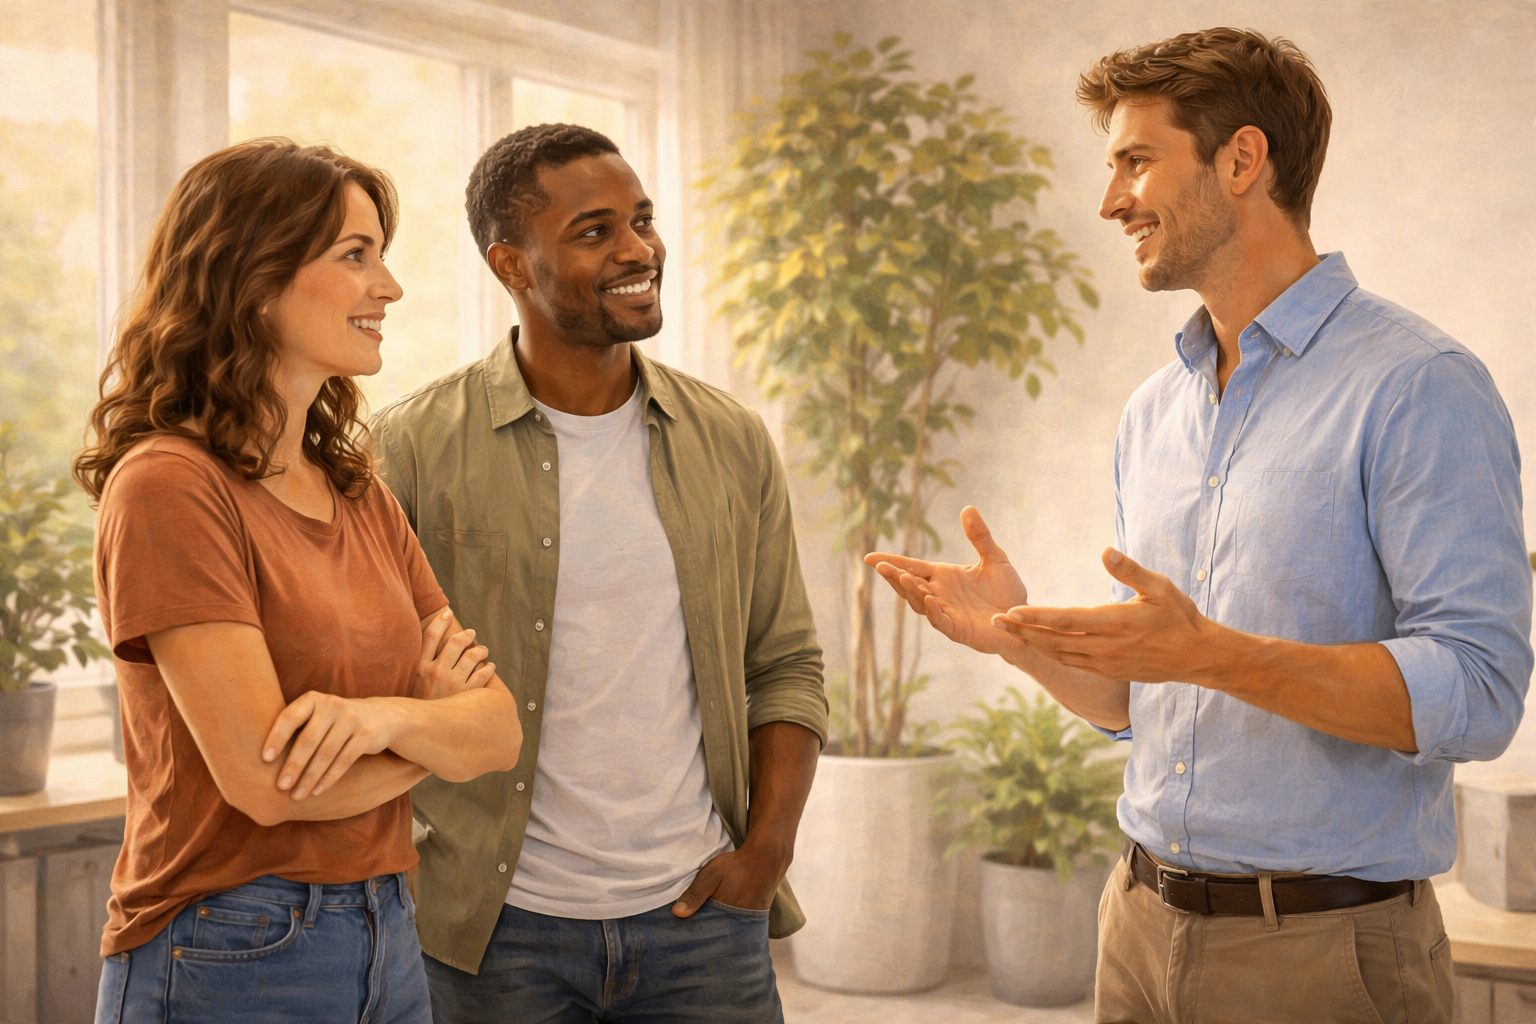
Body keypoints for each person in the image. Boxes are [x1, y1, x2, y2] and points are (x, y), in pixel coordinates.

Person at [867, 27, 1529, 1024]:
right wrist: (1020, 637)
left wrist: (1211, 653)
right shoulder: (1155, 412)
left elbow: (1479, 693)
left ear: (1243, 160)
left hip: (1324, 954)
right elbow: (1151, 699)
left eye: (1137, 160)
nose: (1109, 200)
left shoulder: (1416, 387)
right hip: (1137, 927)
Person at [369, 123, 827, 1024]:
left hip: (704, 920)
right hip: (491, 933)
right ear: (510, 262)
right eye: (595, 231)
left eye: (642, 221)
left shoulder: (730, 440)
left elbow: (785, 665)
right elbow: (374, 680)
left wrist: (766, 854)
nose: (638, 251)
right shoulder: (409, 449)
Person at [76, 139, 523, 1024]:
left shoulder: (360, 494)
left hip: (391, 931)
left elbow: (500, 732)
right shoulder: (170, 486)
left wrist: (380, 719)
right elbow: (268, 783)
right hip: (229, 946)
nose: (388, 287)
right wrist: (435, 733)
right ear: (251, 276)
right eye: (354, 255)